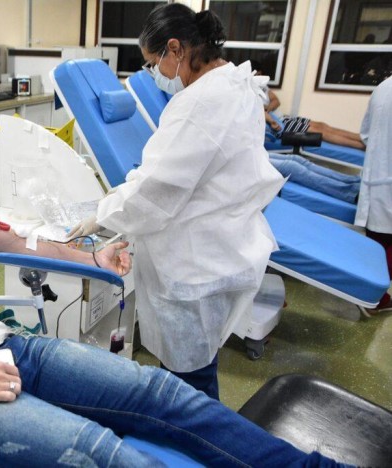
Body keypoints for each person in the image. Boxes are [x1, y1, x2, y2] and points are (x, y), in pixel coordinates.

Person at [0, 55, 345, 467]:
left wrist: (91, 252)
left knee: (165, 394)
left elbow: (10, 241)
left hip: (7, 349)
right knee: (113, 458)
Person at [70, 4, 284, 401]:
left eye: (154, 63)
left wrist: (101, 216)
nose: (155, 75)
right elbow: (172, 173)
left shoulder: (200, 104)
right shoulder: (238, 83)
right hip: (225, 247)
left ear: (176, 49)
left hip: (195, 267)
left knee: (192, 390)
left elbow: (158, 190)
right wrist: (119, 195)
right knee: (201, 373)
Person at [251, 61, 366, 149]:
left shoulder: (262, 86)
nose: (259, 77)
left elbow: (276, 101)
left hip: (284, 118)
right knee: (320, 132)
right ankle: (361, 146)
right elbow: (260, 112)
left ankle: (362, 138)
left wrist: (268, 108)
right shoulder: (248, 92)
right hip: (279, 125)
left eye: (260, 74)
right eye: (257, 75)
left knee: (321, 125)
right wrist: (271, 120)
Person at [355, 76, 392, 315]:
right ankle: (375, 298)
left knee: (377, 241)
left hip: (375, 177)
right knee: (387, 244)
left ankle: (372, 294)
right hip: (386, 180)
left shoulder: (383, 86)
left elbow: (365, 135)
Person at [268, 152, 360, 204]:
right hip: (254, 162)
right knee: (293, 167)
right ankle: (351, 193)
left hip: (258, 152)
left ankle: (353, 181)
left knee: (296, 159)